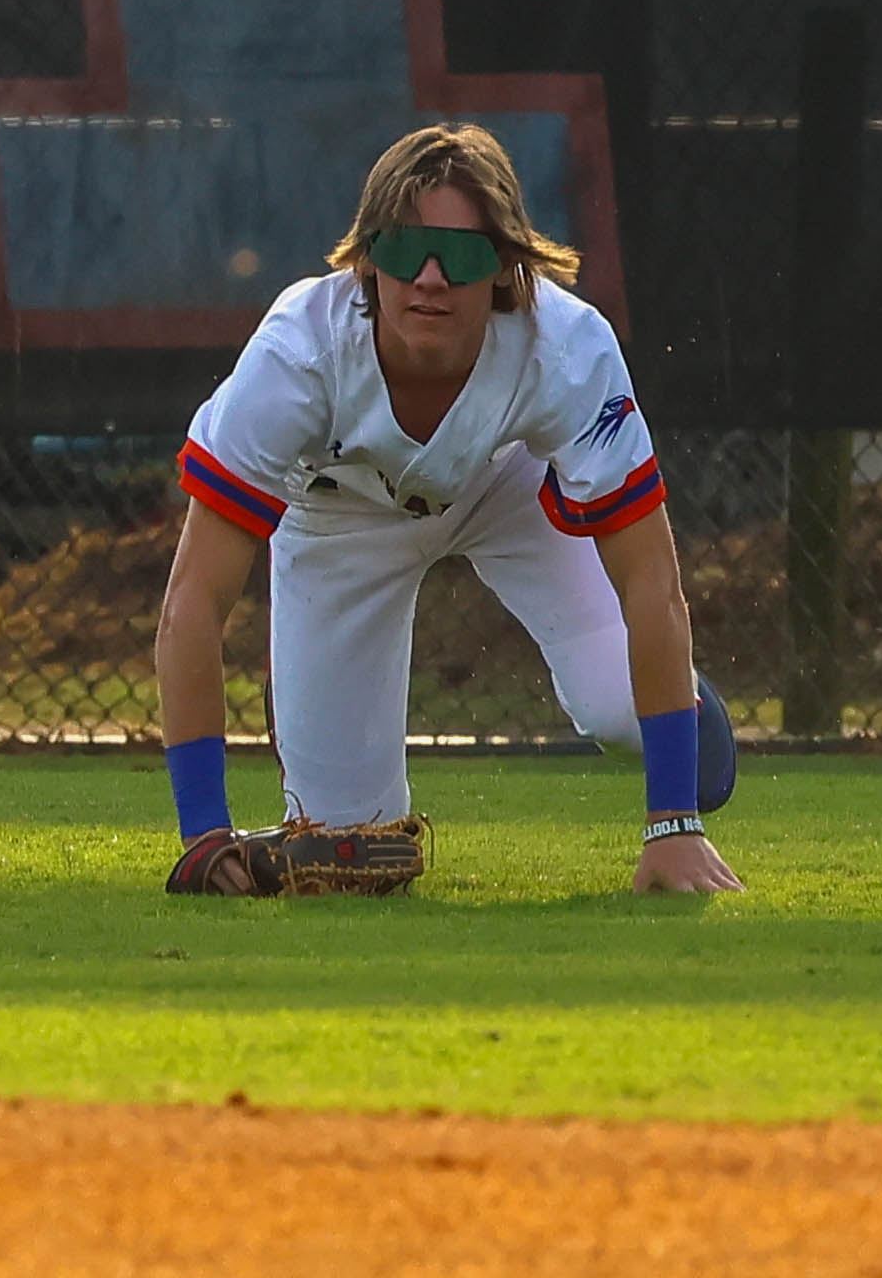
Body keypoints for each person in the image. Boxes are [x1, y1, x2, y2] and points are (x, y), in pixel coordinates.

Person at [154, 123, 741, 894]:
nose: (429, 278)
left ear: (502, 266)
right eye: (403, 250)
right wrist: (201, 832)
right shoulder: (297, 354)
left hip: (509, 482)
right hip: (340, 520)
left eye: (460, 254)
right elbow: (193, 599)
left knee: (614, 705)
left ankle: (689, 728)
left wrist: (674, 826)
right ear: (367, 258)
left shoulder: (564, 346)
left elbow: (651, 581)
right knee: (351, 854)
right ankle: (319, 751)